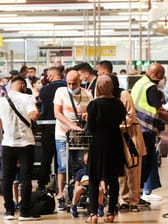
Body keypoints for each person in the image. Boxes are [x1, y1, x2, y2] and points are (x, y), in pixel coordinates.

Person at [0, 75, 40, 221]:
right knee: (25, 179)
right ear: (21, 85)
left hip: (8, 143)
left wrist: (9, 130)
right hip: (26, 143)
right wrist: (34, 112)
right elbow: (34, 116)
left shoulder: (0, 101)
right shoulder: (28, 98)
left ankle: (9, 211)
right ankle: (25, 212)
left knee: (7, 178)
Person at [86, 75, 126, 223]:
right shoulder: (118, 103)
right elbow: (121, 119)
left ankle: (93, 214)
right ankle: (111, 214)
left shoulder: (94, 105)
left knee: (94, 179)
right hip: (115, 143)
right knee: (113, 179)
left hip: (98, 143)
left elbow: (90, 128)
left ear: (98, 87)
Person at [53, 70, 93, 211]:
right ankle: (61, 195)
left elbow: (91, 111)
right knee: (63, 166)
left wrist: (87, 115)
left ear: (80, 82)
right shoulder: (60, 92)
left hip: (81, 137)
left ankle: (77, 194)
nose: (71, 86)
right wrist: (70, 126)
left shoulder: (87, 94)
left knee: (79, 166)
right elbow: (57, 112)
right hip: (63, 134)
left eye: (74, 83)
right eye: (68, 83)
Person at [131, 64, 168, 205]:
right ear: (157, 74)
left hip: (137, 129)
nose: (162, 79)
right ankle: (139, 194)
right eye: (162, 75)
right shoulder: (150, 87)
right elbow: (159, 111)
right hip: (145, 131)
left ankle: (138, 193)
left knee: (141, 163)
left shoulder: (140, 83)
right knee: (146, 163)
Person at [110, 75, 146, 213]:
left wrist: (116, 126)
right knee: (121, 172)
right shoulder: (105, 96)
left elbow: (131, 115)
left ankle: (134, 201)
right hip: (117, 138)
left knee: (133, 170)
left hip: (131, 137)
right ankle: (123, 200)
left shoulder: (123, 94)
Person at [37, 65, 66, 191]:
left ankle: (42, 184)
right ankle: (65, 184)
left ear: (51, 76)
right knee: (64, 158)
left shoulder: (45, 90)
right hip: (64, 126)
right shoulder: (67, 88)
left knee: (46, 157)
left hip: (47, 127)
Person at [70, 153, 105, 218]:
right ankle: (73, 206)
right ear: (84, 162)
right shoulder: (81, 171)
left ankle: (100, 206)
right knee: (78, 189)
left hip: (95, 186)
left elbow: (101, 181)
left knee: (100, 190)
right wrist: (76, 188)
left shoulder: (97, 171)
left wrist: (103, 188)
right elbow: (77, 182)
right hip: (84, 186)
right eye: (87, 161)